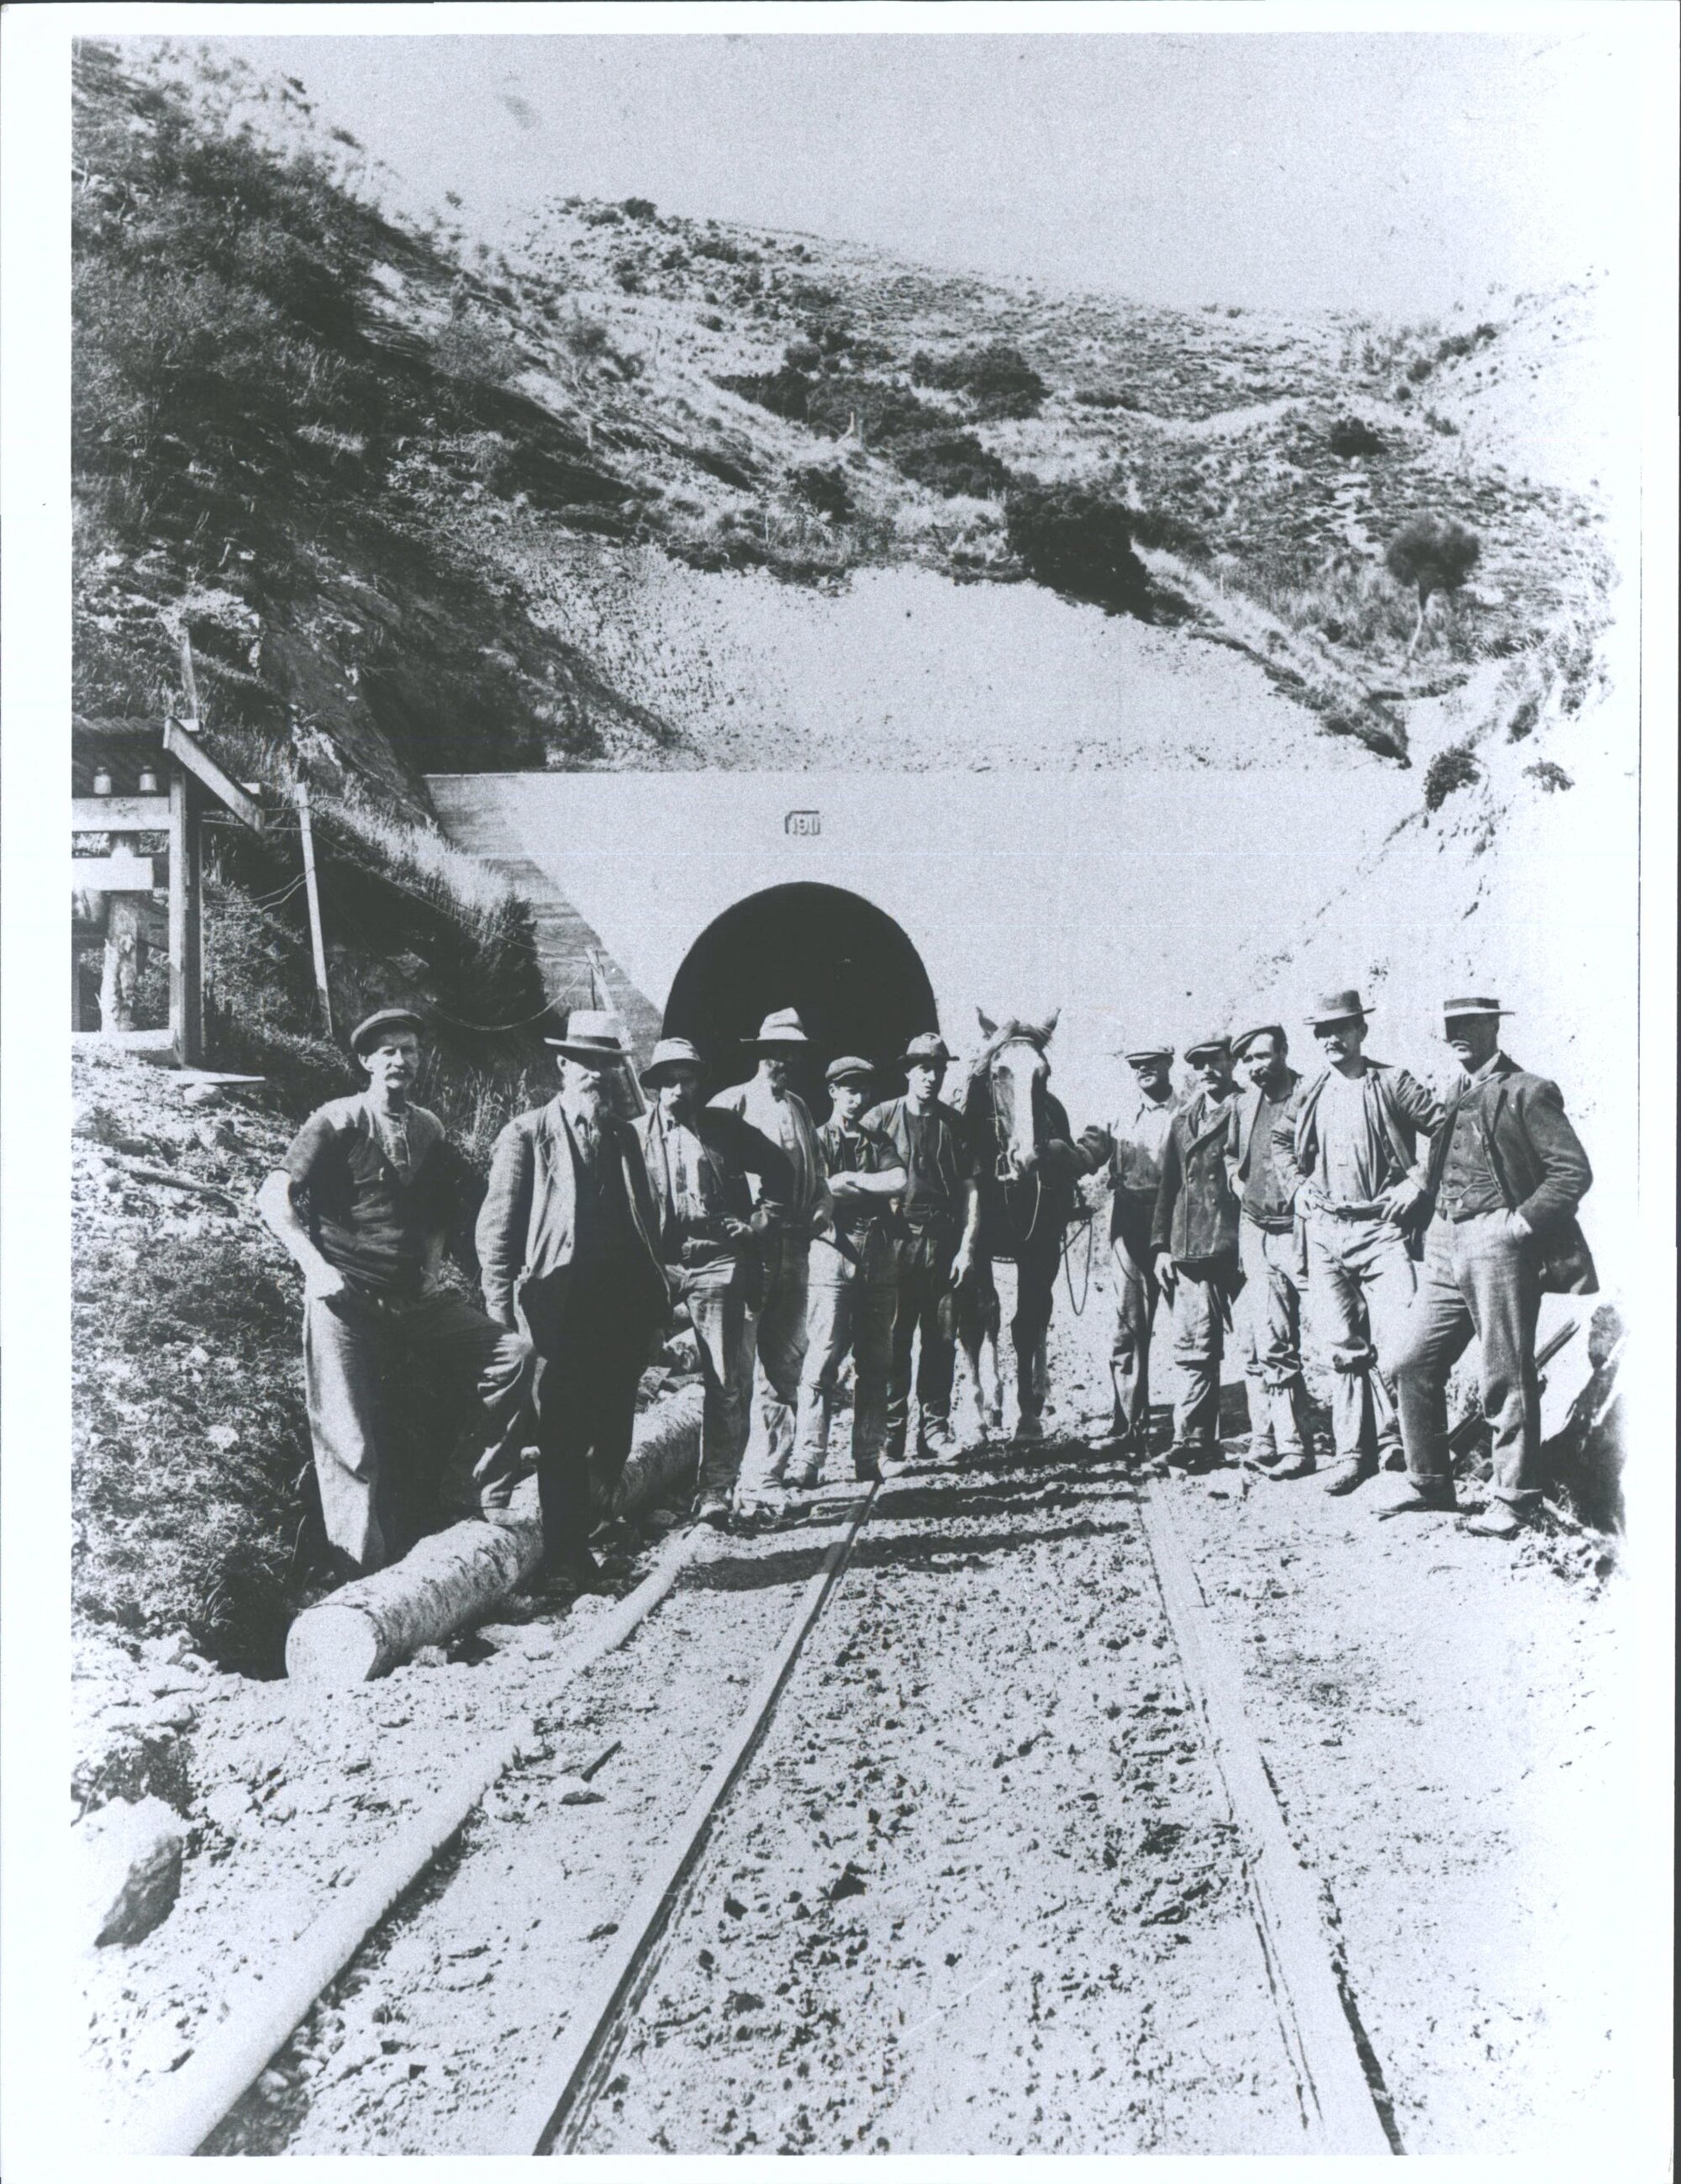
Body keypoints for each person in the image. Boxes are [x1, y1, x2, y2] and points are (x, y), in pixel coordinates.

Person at [257, 1008, 532, 1575]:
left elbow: (440, 1212)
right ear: (365, 1062)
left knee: (512, 1354)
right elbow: (271, 1197)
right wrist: (315, 1268)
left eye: (409, 1051)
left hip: (413, 1299)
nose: (401, 1062)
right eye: (388, 1053)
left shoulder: (427, 1128)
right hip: (344, 1301)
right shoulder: (337, 1121)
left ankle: (465, 1496)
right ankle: (359, 1571)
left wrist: (430, 1266)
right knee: (350, 1438)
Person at [476, 1010, 672, 1585]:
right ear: (562, 1065)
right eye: (585, 1063)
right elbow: (498, 1236)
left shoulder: (622, 1136)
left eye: (606, 1065)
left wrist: (653, 1308)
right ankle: (565, 1552)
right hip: (554, 1306)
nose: (596, 1076)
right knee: (561, 1428)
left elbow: (646, 1227)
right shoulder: (528, 1134)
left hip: (618, 1309)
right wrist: (500, 1317)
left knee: (611, 1424)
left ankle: (595, 1527)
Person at [1389, 995, 1596, 1536]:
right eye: (1452, 1025)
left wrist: (1519, 1225)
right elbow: (1439, 1160)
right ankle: (1429, 1484)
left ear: (1493, 1029)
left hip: (1496, 1242)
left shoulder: (1528, 1090)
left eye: (1471, 1024)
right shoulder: (1454, 1091)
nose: (1459, 1033)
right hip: (1443, 1239)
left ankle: (1515, 1498)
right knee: (1411, 1361)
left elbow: (1571, 1174)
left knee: (1504, 1369)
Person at [1275, 988, 1444, 1496]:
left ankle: (1407, 1450)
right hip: (1326, 1231)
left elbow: (1443, 1127)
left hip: (1382, 1230)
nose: (1330, 1039)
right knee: (1343, 1348)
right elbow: (1281, 1143)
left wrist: (1416, 1182)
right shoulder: (1310, 1091)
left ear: (1361, 1031)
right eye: (1322, 1031)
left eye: (1340, 1029)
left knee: (1400, 1344)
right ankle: (1353, 1454)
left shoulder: (1392, 1081)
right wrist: (1298, 1187)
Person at [638, 1037, 797, 1526]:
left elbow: (779, 1168)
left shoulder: (723, 1127)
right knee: (635, 1370)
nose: (679, 1090)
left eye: (688, 1079)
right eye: (669, 1081)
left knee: (726, 1378)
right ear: (656, 1087)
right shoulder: (634, 1137)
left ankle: (716, 1489)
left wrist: (757, 1224)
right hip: (658, 1260)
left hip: (719, 1259)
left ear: (699, 1084)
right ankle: (612, 1487)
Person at [708, 1008, 826, 1502]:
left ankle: (767, 1479)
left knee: (785, 1365)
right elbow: (706, 1177)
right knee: (735, 1370)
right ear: (760, 1054)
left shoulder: (799, 1108)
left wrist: (823, 1207)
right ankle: (722, 1484)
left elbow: (820, 1177)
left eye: (793, 1052)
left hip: (796, 1250)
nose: (786, 1060)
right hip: (749, 1255)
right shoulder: (730, 1104)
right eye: (777, 1051)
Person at [862, 1033, 983, 1470]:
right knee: (892, 1342)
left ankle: (935, 1429)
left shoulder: (956, 1125)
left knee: (941, 1339)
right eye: (923, 1069)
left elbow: (971, 1191)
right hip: (895, 1244)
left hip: (944, 1244)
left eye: (938, 1069)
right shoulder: (880, 1119)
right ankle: (890, 1439)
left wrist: (966, 1249)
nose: (931, 1077)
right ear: (908, 1071)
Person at [791, 1058, 908, 1490]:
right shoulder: (818, 1139)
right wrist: (855, 1184)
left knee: (876, 1360)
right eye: (847, 1090)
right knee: (822, 1358)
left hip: (878, 1254)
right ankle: (808, 1458)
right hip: (831, 1253)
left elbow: (898, 1180)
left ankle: (866, 1457)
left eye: (862, 1090)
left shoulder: (879, 1140)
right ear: (833, 1093)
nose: (856, 1099)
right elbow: (824, 1187)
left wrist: (852, 1178)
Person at [1076, 1042, 1179, 1455]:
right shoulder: (1117, 1115)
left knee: (1191, 1328)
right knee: (1128, 1328)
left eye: (1151, 1062)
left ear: (1169, 1063)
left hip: (1176, 1224)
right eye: (1137, 1064)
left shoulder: (1186, 1113)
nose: (1143, 1070)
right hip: (1129, 1222)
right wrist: (1056, 1155)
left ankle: (1196, 1429)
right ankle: (1128, 1425)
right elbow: (1089, 1152)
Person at [1151, 1035, 1243, 1470]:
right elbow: (1167, 1189)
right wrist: (1161, 1248)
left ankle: (1275, 1441)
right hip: (1189, 1251)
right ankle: (1193, 1441)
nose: (1208, 1069)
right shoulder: (1182, 1119)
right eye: (1199, 1062)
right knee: (1194, 1349)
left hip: (1240, 1246)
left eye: (1215, 1060)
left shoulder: (1249, 1109)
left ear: (1231, 1062)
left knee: (1264, 1347)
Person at [1227, 1025, 1314, 1478]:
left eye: (1265, 1056)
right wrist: (1238, 1183)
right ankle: (1292, 1445)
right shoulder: (1244, 1104)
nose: (1258, 1066)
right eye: (1250, 1061)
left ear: (1284, 1052)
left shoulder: (1312, 1094)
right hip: (1258, 1232)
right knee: (1271, 1342)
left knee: (1343, 1335)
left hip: (1305, 1233)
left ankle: (1382, 1440)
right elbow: (1230, 1156)